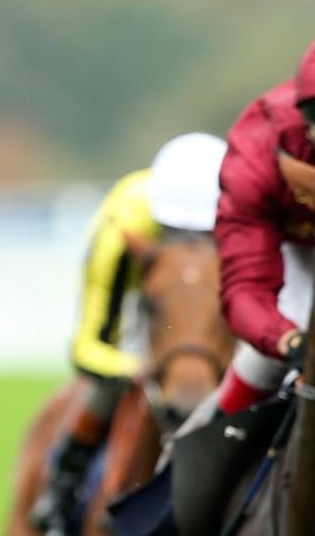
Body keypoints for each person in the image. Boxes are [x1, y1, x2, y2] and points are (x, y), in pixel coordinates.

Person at [28, 132, 229, 534]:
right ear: (158, 219)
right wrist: (135, 367)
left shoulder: (246, 214)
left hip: (213, 311)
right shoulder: (123, 223)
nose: (190, 245)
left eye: (205, 236)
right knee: (106, 389)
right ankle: (61, 493)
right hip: (145, 313)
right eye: (174, 231)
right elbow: (90, 344)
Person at [213, 39, 315, 417]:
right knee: (261, 364)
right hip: (296, 254)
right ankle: (188, 468)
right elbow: (247, 286)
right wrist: (287, 340)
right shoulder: (259, 153)